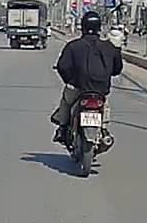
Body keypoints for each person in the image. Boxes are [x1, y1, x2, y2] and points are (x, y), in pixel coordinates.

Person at [50, 10, 123, 144]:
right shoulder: (109, 47)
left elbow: (63, 67)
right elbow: (117, 69)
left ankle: (62, 128)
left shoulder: (73, 46)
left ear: (82, 27)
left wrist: (70, 81)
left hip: (78, 87)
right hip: (100, 90)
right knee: (105, 105)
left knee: (66, 102)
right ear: (99, 28)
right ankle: (104, 130)